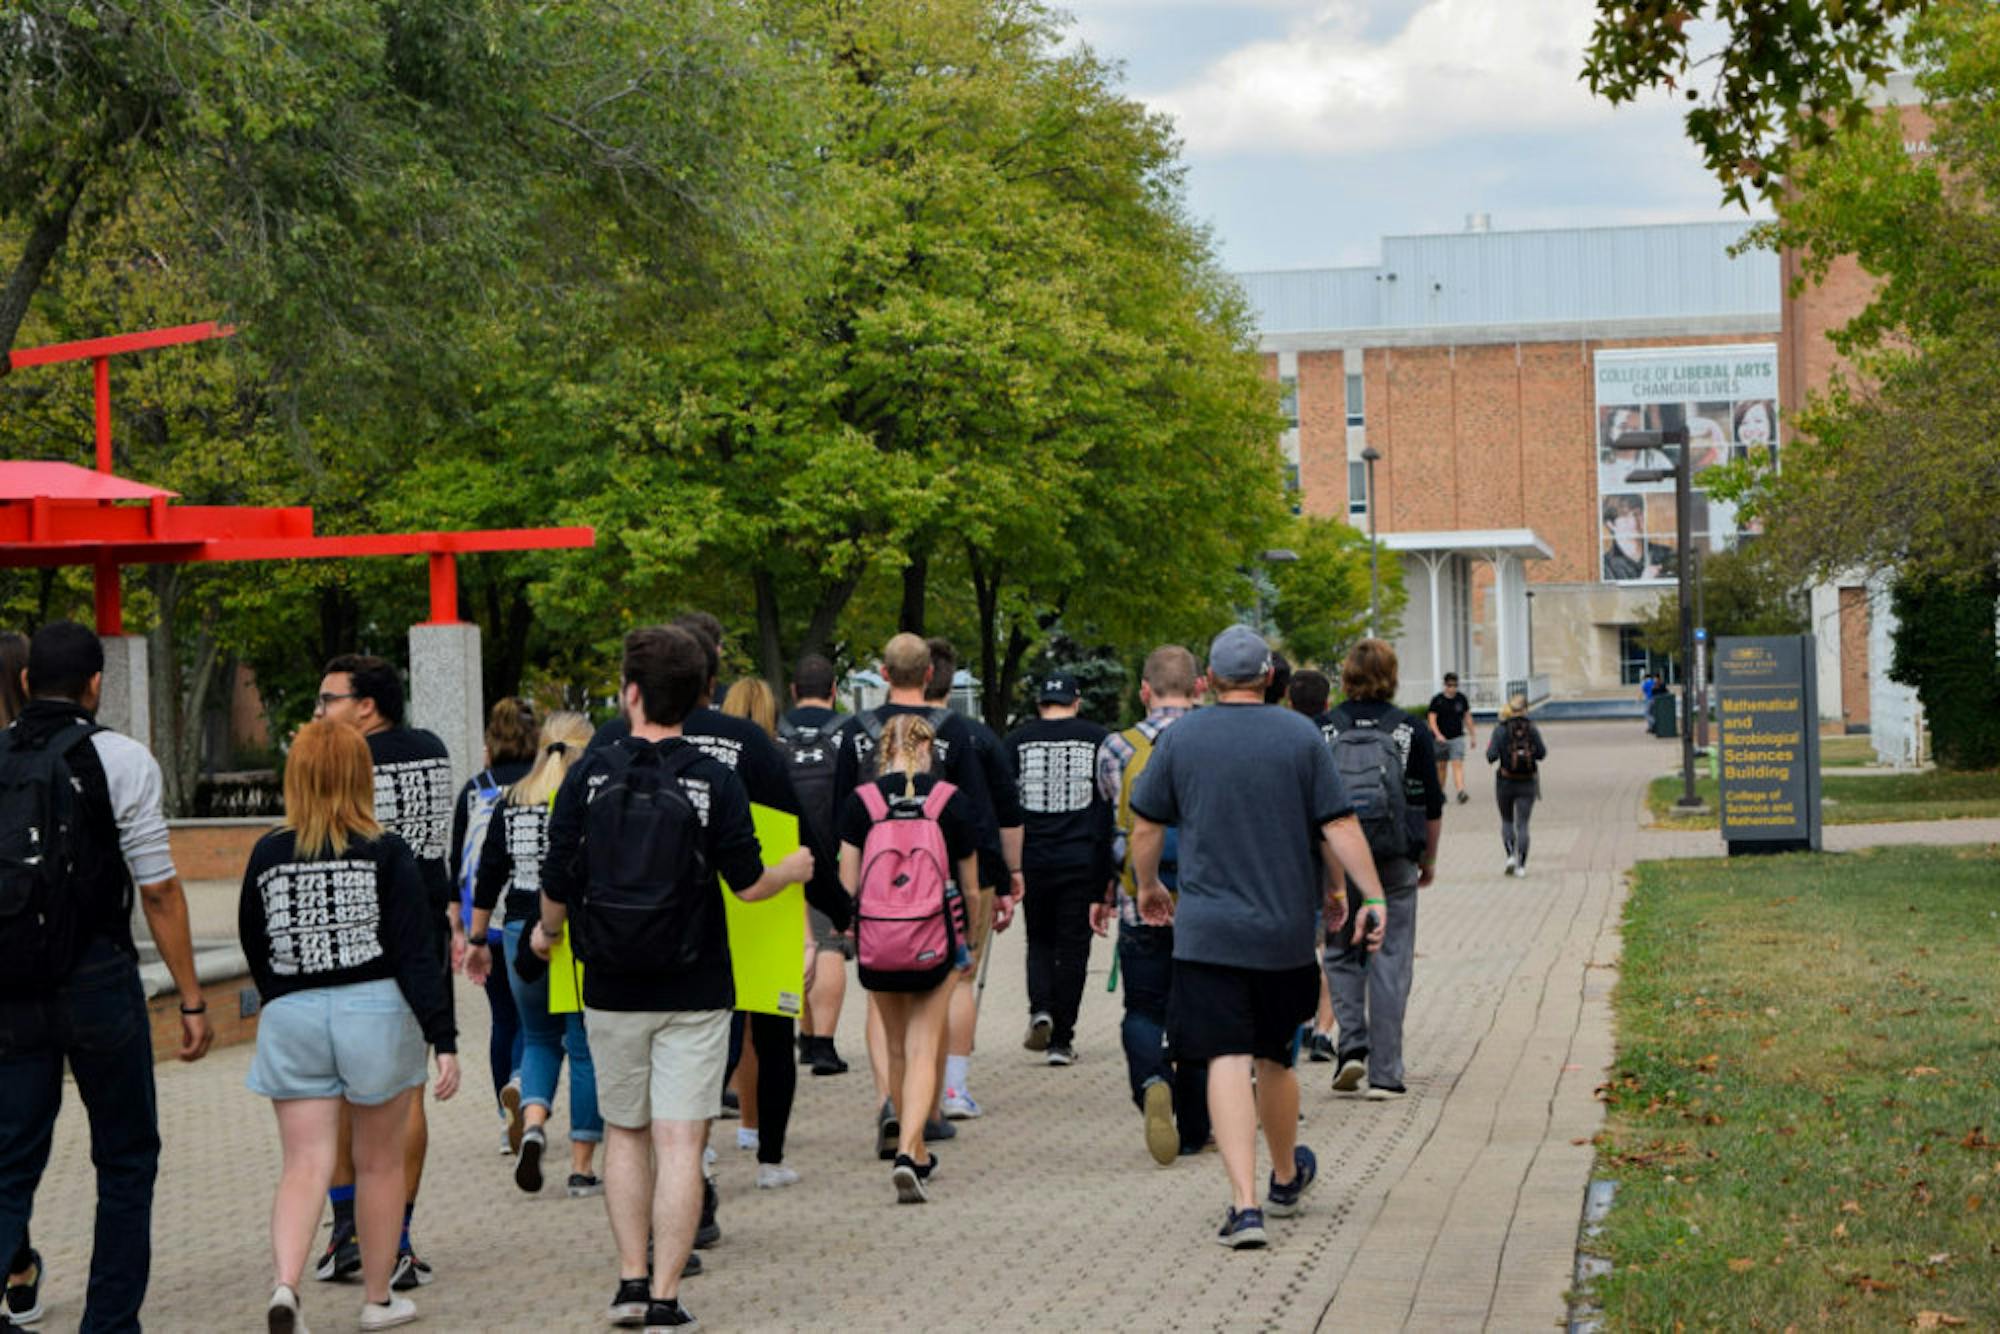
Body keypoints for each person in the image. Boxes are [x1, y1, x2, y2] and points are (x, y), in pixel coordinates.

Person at [533, 625, 813, 1333]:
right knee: (681, 1143)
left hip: (610, 984)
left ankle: (628, 1282)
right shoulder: (713, 778)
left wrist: (547, 934)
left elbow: (558, 879)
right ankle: (665, 1295)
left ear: (630, 692)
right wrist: (792, 871)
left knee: (624, 1135)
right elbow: (748, 884)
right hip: (695, 986)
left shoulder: (588, 773)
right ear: (698, 695)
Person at [1129, 625, 1389, 1248]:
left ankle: (1244, 1208)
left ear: (1207, 682)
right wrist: (1370, 895)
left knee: (1225, 1057)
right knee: (1275, 1056)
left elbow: (1145, 823)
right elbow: (1339, 822)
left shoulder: (1182, 737)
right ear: (1270, 677)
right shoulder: (1300, 735)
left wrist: (1147, 888)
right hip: (1281, 934)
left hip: (1208, 935)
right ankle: (1284, 1175)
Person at [0, 621, 212, 1332]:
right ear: (96, 684)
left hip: (13, 993)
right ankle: (110, 1323)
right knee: (124, 1160)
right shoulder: (119, 759)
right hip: (98, 984)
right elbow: (157, 890)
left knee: (9, 1163)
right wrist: (189, 998)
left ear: (27, 684)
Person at [241, 719, 460, 1334]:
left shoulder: (267, 853)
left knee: (304, 1163)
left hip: (293, 1012)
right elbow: (416, 952)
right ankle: (377, 1298)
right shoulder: (388, 851)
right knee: (379, 1163)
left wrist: (282, 998)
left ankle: (286, 1286)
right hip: (374, 1009)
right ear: (361, 776)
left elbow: (254, 942)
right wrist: (443, 1038)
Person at [833, 634, 1014, 1157]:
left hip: (874, 906)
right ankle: (930, 1112)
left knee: (884, 1010)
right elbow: (979, 819)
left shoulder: (853, 734)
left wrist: (845, 914)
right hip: (941, 904)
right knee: (945, 997)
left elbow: (839, 820)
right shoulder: (961, 733)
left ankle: (886, 1102)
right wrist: (995, 885)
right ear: (932, 671)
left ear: (883, 673)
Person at [311, 655, 459, 1290]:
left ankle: (349, 1234)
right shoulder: (432, 749)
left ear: (365, 706)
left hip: (361, 932)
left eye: (328, 701)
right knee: (407, 1092)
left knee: (346, 1089)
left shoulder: (348, 761)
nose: (319, 714)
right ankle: (396, 1237)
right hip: (423, 931)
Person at [836, 712, 982, 1202]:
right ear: (929, 749)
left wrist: (855, 933)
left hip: (880, 945)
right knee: (924, 1046)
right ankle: (909, 1153)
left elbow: (847, 886)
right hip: (935, 940)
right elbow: (971, 885)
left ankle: (912, 1146)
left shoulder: (862, 804)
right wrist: (972, 941)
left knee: (896, 1048)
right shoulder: (951, 803)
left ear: (882, 752)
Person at [466, 711, 604, 1197]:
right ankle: (583, 1167)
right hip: (574, 933)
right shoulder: (588, 797)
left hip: (521, 931)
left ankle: (532, 1126)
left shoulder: (512, 799)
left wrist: (477, 940)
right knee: (583, 1047)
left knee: (539, 1039)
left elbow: (489, 874)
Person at [1093, 644, 1210, 1165]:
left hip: (1141, 898)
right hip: (1207, 903)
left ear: (1144, 690)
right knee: (1202, 1015)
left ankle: (1150, 1082)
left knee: (1143, 1008)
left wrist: (1110, 891)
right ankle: (1195, 1127)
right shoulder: (1216, 740)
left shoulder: (1116, 748)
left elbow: (1113, 826)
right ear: (1200, 687)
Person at [1324, 638, 1444, 1103]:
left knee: (1338, 951)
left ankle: (1350, 1043)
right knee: (1390, 959)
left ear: (1347, 675)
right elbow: (1430, 804)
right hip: (1394, 858)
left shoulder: (1324, 729)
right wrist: (1428, 861)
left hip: (1337, 860)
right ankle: (1386, 1074)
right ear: (1392, 675)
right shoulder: (1410, 730)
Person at [921, 638, 1022, 1123]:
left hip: (898, 872)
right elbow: (1002, 814)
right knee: (961, 975)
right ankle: (954, 1089)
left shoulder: (882, 733)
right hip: (968, 871)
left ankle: (904, 1090)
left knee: (907, 984)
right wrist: (1009, 877)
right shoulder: (977, 737)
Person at [1003, 669, 1112, 1066]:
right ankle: (1062, 1040)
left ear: (1039, 703)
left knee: (1040, 940)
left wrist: (1008, 866)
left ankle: (1041, 1009)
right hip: (1080, 859)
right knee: (1074, 948)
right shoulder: (1098, 739)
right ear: (1076, 700)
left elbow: (1007, 806)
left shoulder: (1016, 742)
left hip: (1034, 858)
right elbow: (1105, 809)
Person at [449, 696, 538, 1153]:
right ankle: (524, 1085)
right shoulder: (541, 784)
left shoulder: (474, 788)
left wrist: (461, 929)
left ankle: (507, 1125)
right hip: (529, 914)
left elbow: (456, 860)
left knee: (502, 1017)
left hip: (485, 917)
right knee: (532, 1018)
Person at [779, 654, 852, 1077]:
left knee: (797, 945)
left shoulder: (775, 731)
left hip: (786, 852)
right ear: (834, 690)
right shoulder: (849, 732)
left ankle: (804, 1035)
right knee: (828, 946)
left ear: (793, 690)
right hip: (832, 853)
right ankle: (822, 1044)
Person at [1283, 669, 1340, 1062]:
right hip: (1324, 858)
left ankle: (1300, 1022)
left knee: (1296, 948)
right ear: (1327, 702)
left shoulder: (1279, 736)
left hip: (1284, 858)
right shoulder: (1332, 739)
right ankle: (1323, 1029)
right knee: (1327, 950)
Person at [1486, 694, 1548, 878]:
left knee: (1507, 820)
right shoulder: (1532, 728)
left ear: (1510, 709)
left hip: (1505, 781)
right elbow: (1542, 754)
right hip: (1527, 782)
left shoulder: (1500, 729)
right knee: (1523, 824)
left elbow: (1491, 756)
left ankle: (1509, 856)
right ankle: (1521, 866)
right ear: (1526, 709)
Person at [1426, 671, 1474, 806]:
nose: (1452, 688)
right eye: (1449, 685)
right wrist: (1438, 734)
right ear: (1445, 685)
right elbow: (1432, 720)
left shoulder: (1461, 699)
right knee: (1441, 767)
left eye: (1454, 685)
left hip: (1457, 737)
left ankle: (1461, 791)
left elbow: (1467, 717)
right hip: (1440, 739)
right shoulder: (1437, 700)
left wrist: (1473, 735)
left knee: (1457, 764)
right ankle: (1440, 792)